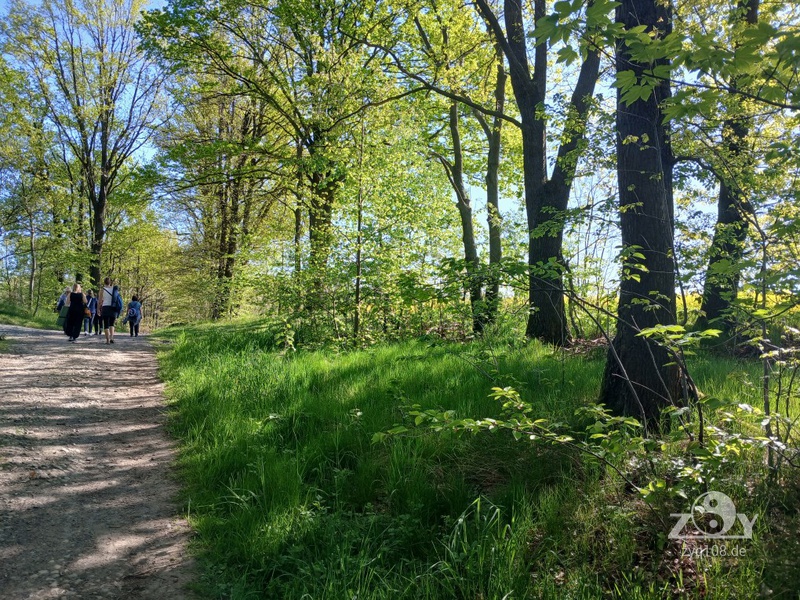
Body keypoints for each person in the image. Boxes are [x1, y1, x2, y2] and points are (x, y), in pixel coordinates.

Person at [98, 277, 122, 345]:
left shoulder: (102, 290)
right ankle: (112, 338)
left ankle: (107, 340)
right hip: (113, 308)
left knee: (106, 324)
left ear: (104, 282)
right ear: (110, 282)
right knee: (112, 324)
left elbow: (100, 301)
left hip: (105, 307)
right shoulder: (114, 289)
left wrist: (98, 309)